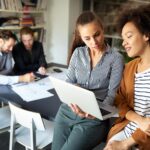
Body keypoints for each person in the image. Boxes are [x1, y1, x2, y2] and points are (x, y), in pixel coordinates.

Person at [51, 11, 124, 150]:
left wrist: (97, 112)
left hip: (93, 119)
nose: (94, 42)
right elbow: (69, 82)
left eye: (97, 34)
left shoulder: (115, 58)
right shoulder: (78, 53)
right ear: (81, 38)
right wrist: (73, 101)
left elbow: (112, 95)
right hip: (68, 111)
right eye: (87, 38)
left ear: (102, 29)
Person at [104, 4, 150, 150]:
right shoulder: (129, 68)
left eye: (129, 36)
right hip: (126, 129)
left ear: (146, 34)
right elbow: (119, 99)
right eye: (123, 38)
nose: (124, 42)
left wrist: (124, 144)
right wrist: (139, 119)